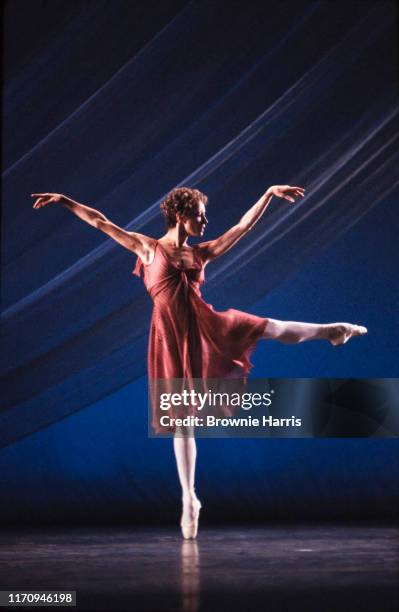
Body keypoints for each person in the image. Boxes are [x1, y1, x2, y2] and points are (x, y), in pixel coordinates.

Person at [31, 185, 367, 539]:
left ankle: (332, 330)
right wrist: (65, 201)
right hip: (170, 340)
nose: (205, 221)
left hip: (205, 328)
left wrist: (267, 194)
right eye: (200, 215)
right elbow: (101, 222)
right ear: (180, 215)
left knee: (268, 327)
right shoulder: (148, 248)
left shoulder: (200, 254)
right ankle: (189, 498)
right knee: (182, 421)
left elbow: (241, 228)